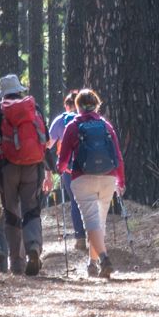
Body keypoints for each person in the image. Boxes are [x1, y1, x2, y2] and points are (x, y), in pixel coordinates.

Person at [56, 88, 125, 280]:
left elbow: (62, 160)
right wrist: (121, 180)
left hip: (82, 177)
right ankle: (92, 265)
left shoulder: (73, 126)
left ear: (77, 107)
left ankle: (104, 259)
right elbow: (117, 155)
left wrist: (62, 169)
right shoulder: (106, 126)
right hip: (108, 178)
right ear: (96, 105)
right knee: (99, 222)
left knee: (91, 222)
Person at [0, 71, 49, 277]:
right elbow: (45, 140)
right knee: (31, 208)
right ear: (19, 91)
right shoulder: (34, 107)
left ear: (3, 93)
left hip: (8, 167)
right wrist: (46, 167)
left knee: (11, 213)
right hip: (33, 166)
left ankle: (17, 264)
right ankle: (34, 247)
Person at [47, 91, 88, 253]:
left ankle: (80, 238)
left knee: (76, 202)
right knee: (91, 200)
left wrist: (50, 169)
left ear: (66, 105)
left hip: (70, 168)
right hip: (90, 166)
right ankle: (96, 235)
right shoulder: (87, 118)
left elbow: (48, 145)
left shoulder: (60, 121)